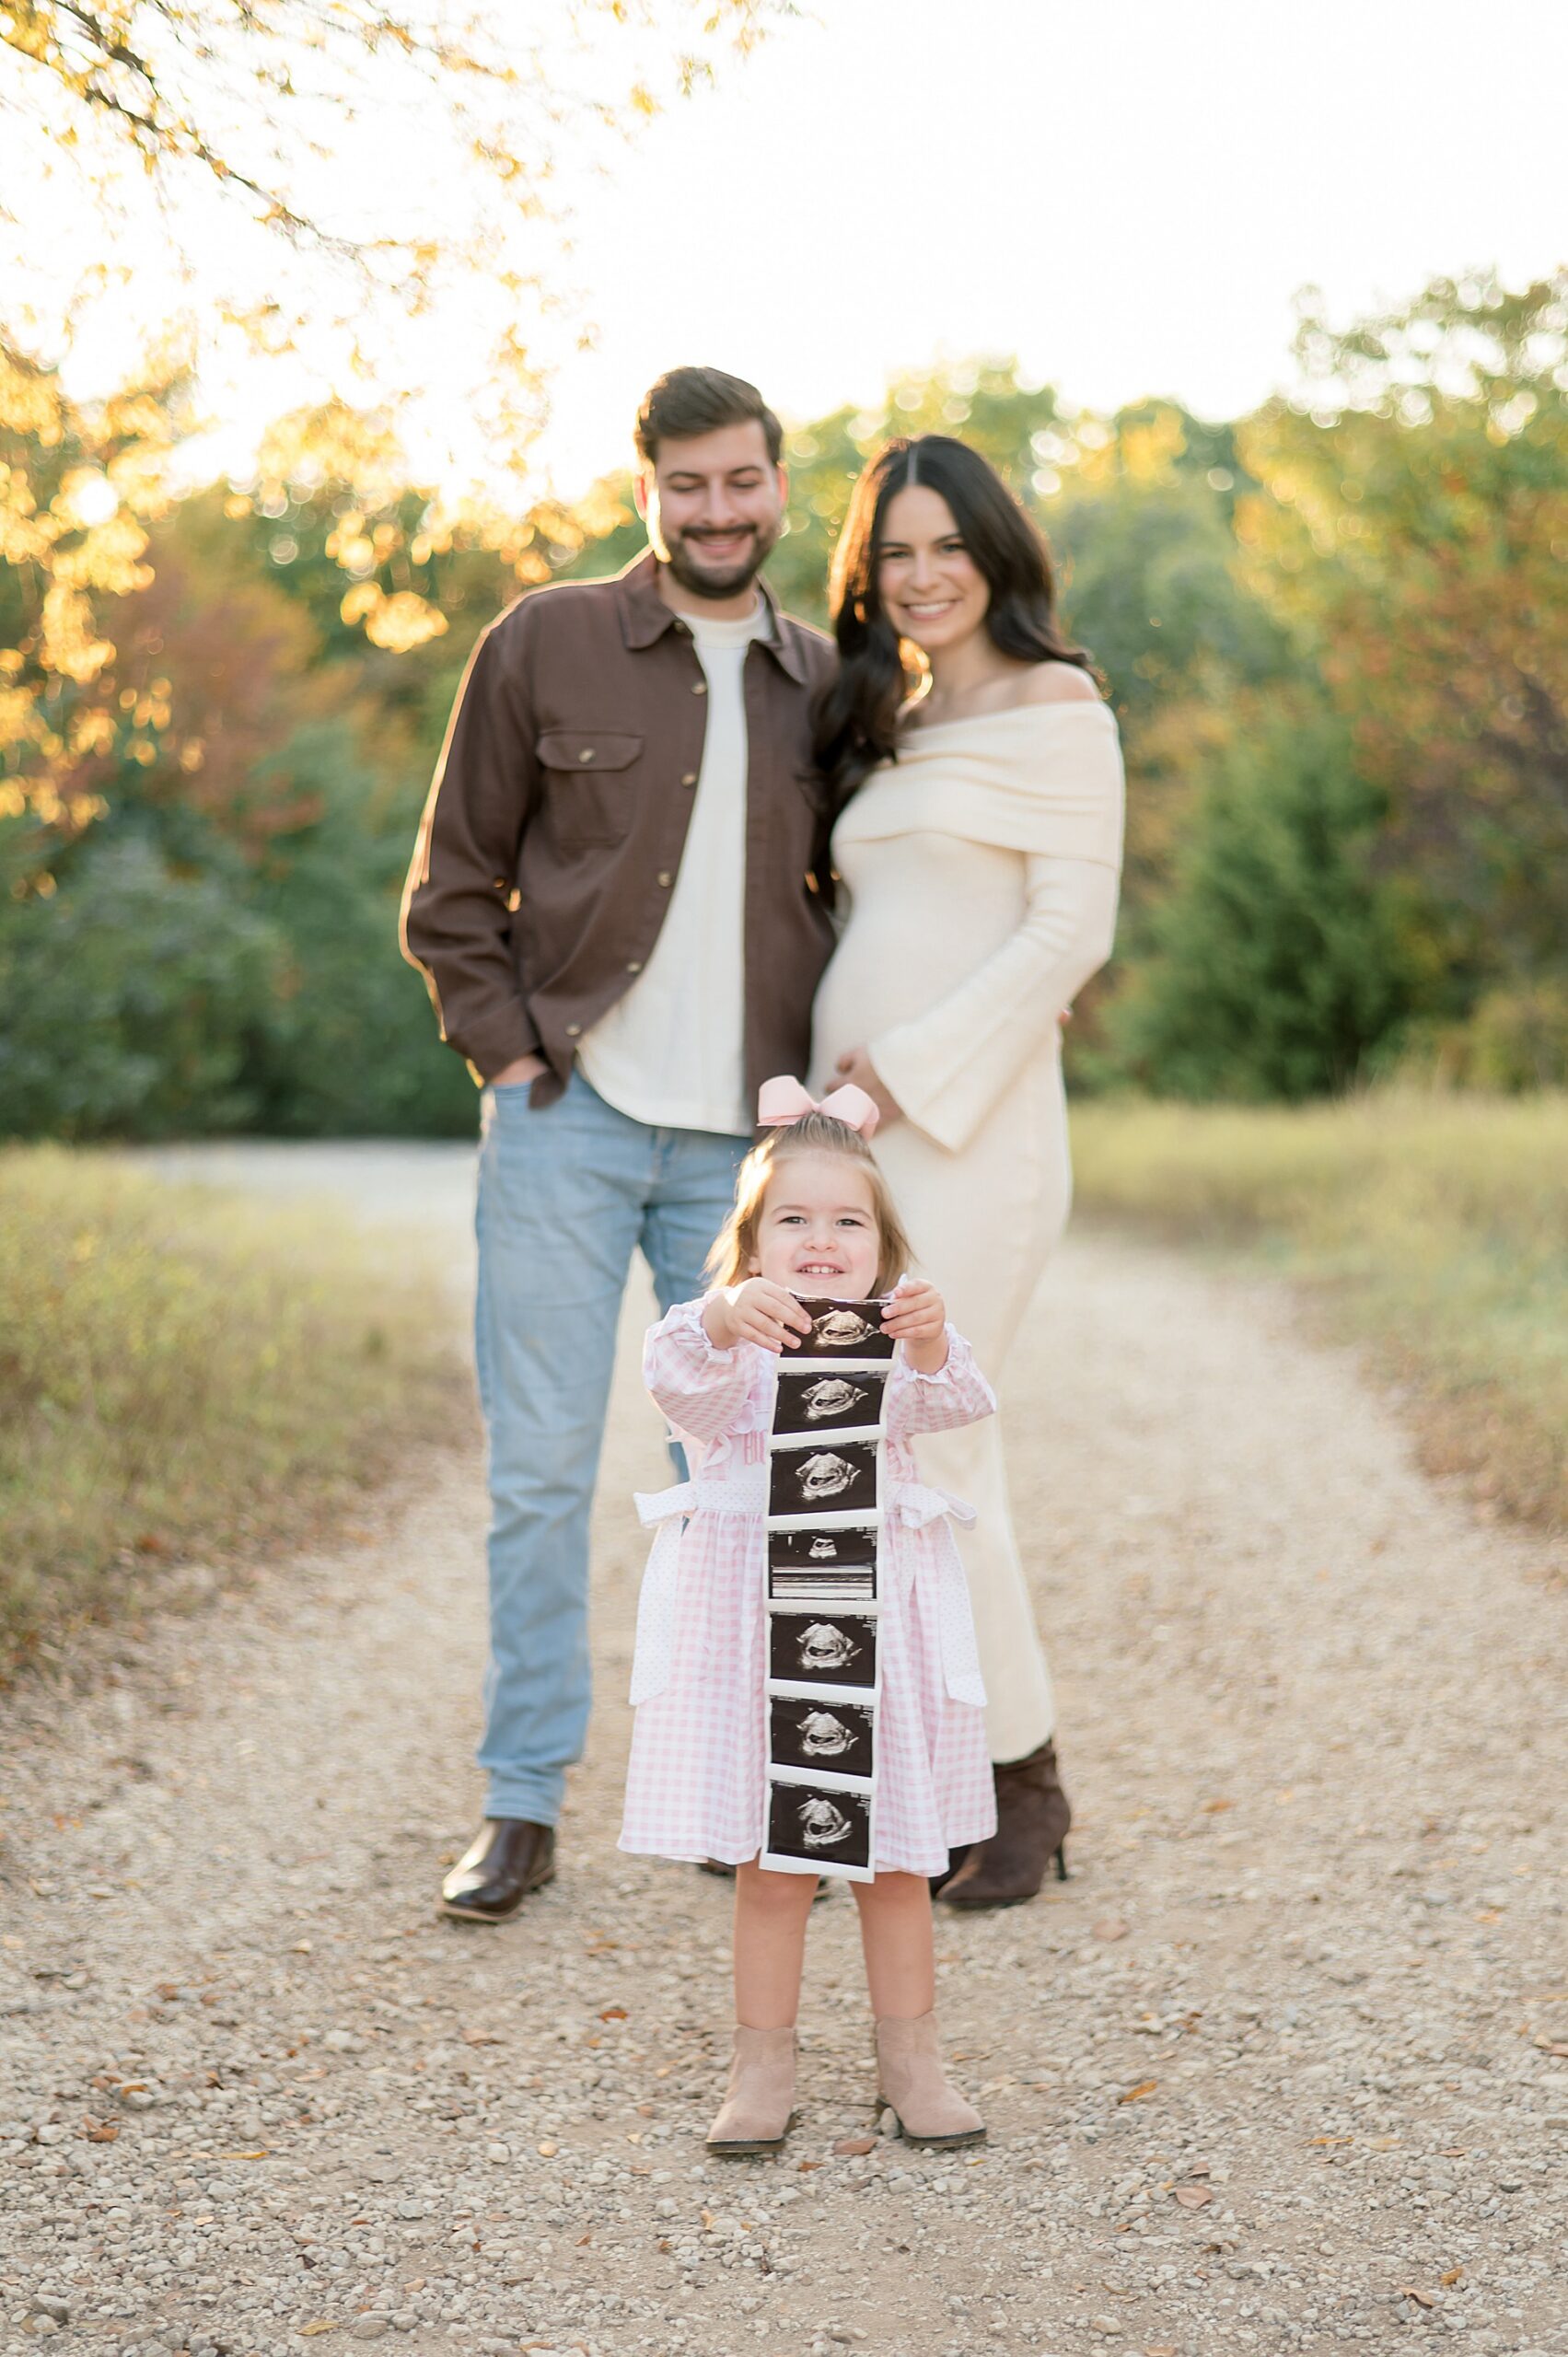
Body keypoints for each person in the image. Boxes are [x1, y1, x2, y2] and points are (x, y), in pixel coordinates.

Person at [400, 367, 836, 1922]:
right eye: (688, 486)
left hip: (743, 1162)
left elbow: (869, 904)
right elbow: (452, 884)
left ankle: (731, 1790)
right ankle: (520, 1805)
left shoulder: (828, 676)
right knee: (535, 1473)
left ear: (782, 486)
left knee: (729, 1481)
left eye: (742, 482)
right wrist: (509, 1057)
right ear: (646, 490)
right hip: (566, 1123)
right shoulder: (545, 640)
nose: (718, 511)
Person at [809, 435, 1125, 1907]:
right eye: (893, 553)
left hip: (973, 1133)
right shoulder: (899, 721)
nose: (920, 576)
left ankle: (1024, 1787)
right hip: (854, 1150)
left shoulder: (1059, 709)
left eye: (944, 545)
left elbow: (1065, 937)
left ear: (995, 552)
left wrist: (896, 1070)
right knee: (864, 1453)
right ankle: (917, 1779)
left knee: (941, 1446)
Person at [621, 1087, 996, 2154]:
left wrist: (923, 1342)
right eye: (791, 1220)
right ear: (748, 1245)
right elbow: (667, 1374)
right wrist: (718, 1314)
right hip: (759, 1646)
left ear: (883, 1249)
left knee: (892, 1862)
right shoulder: (726, 1348)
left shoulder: (895, 1349)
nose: (820, 1240)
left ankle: (910, 2061)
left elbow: (961, 1396)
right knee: (772, 1864)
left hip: (878, 1631)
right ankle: (760, 2066)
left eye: (847, 1222)